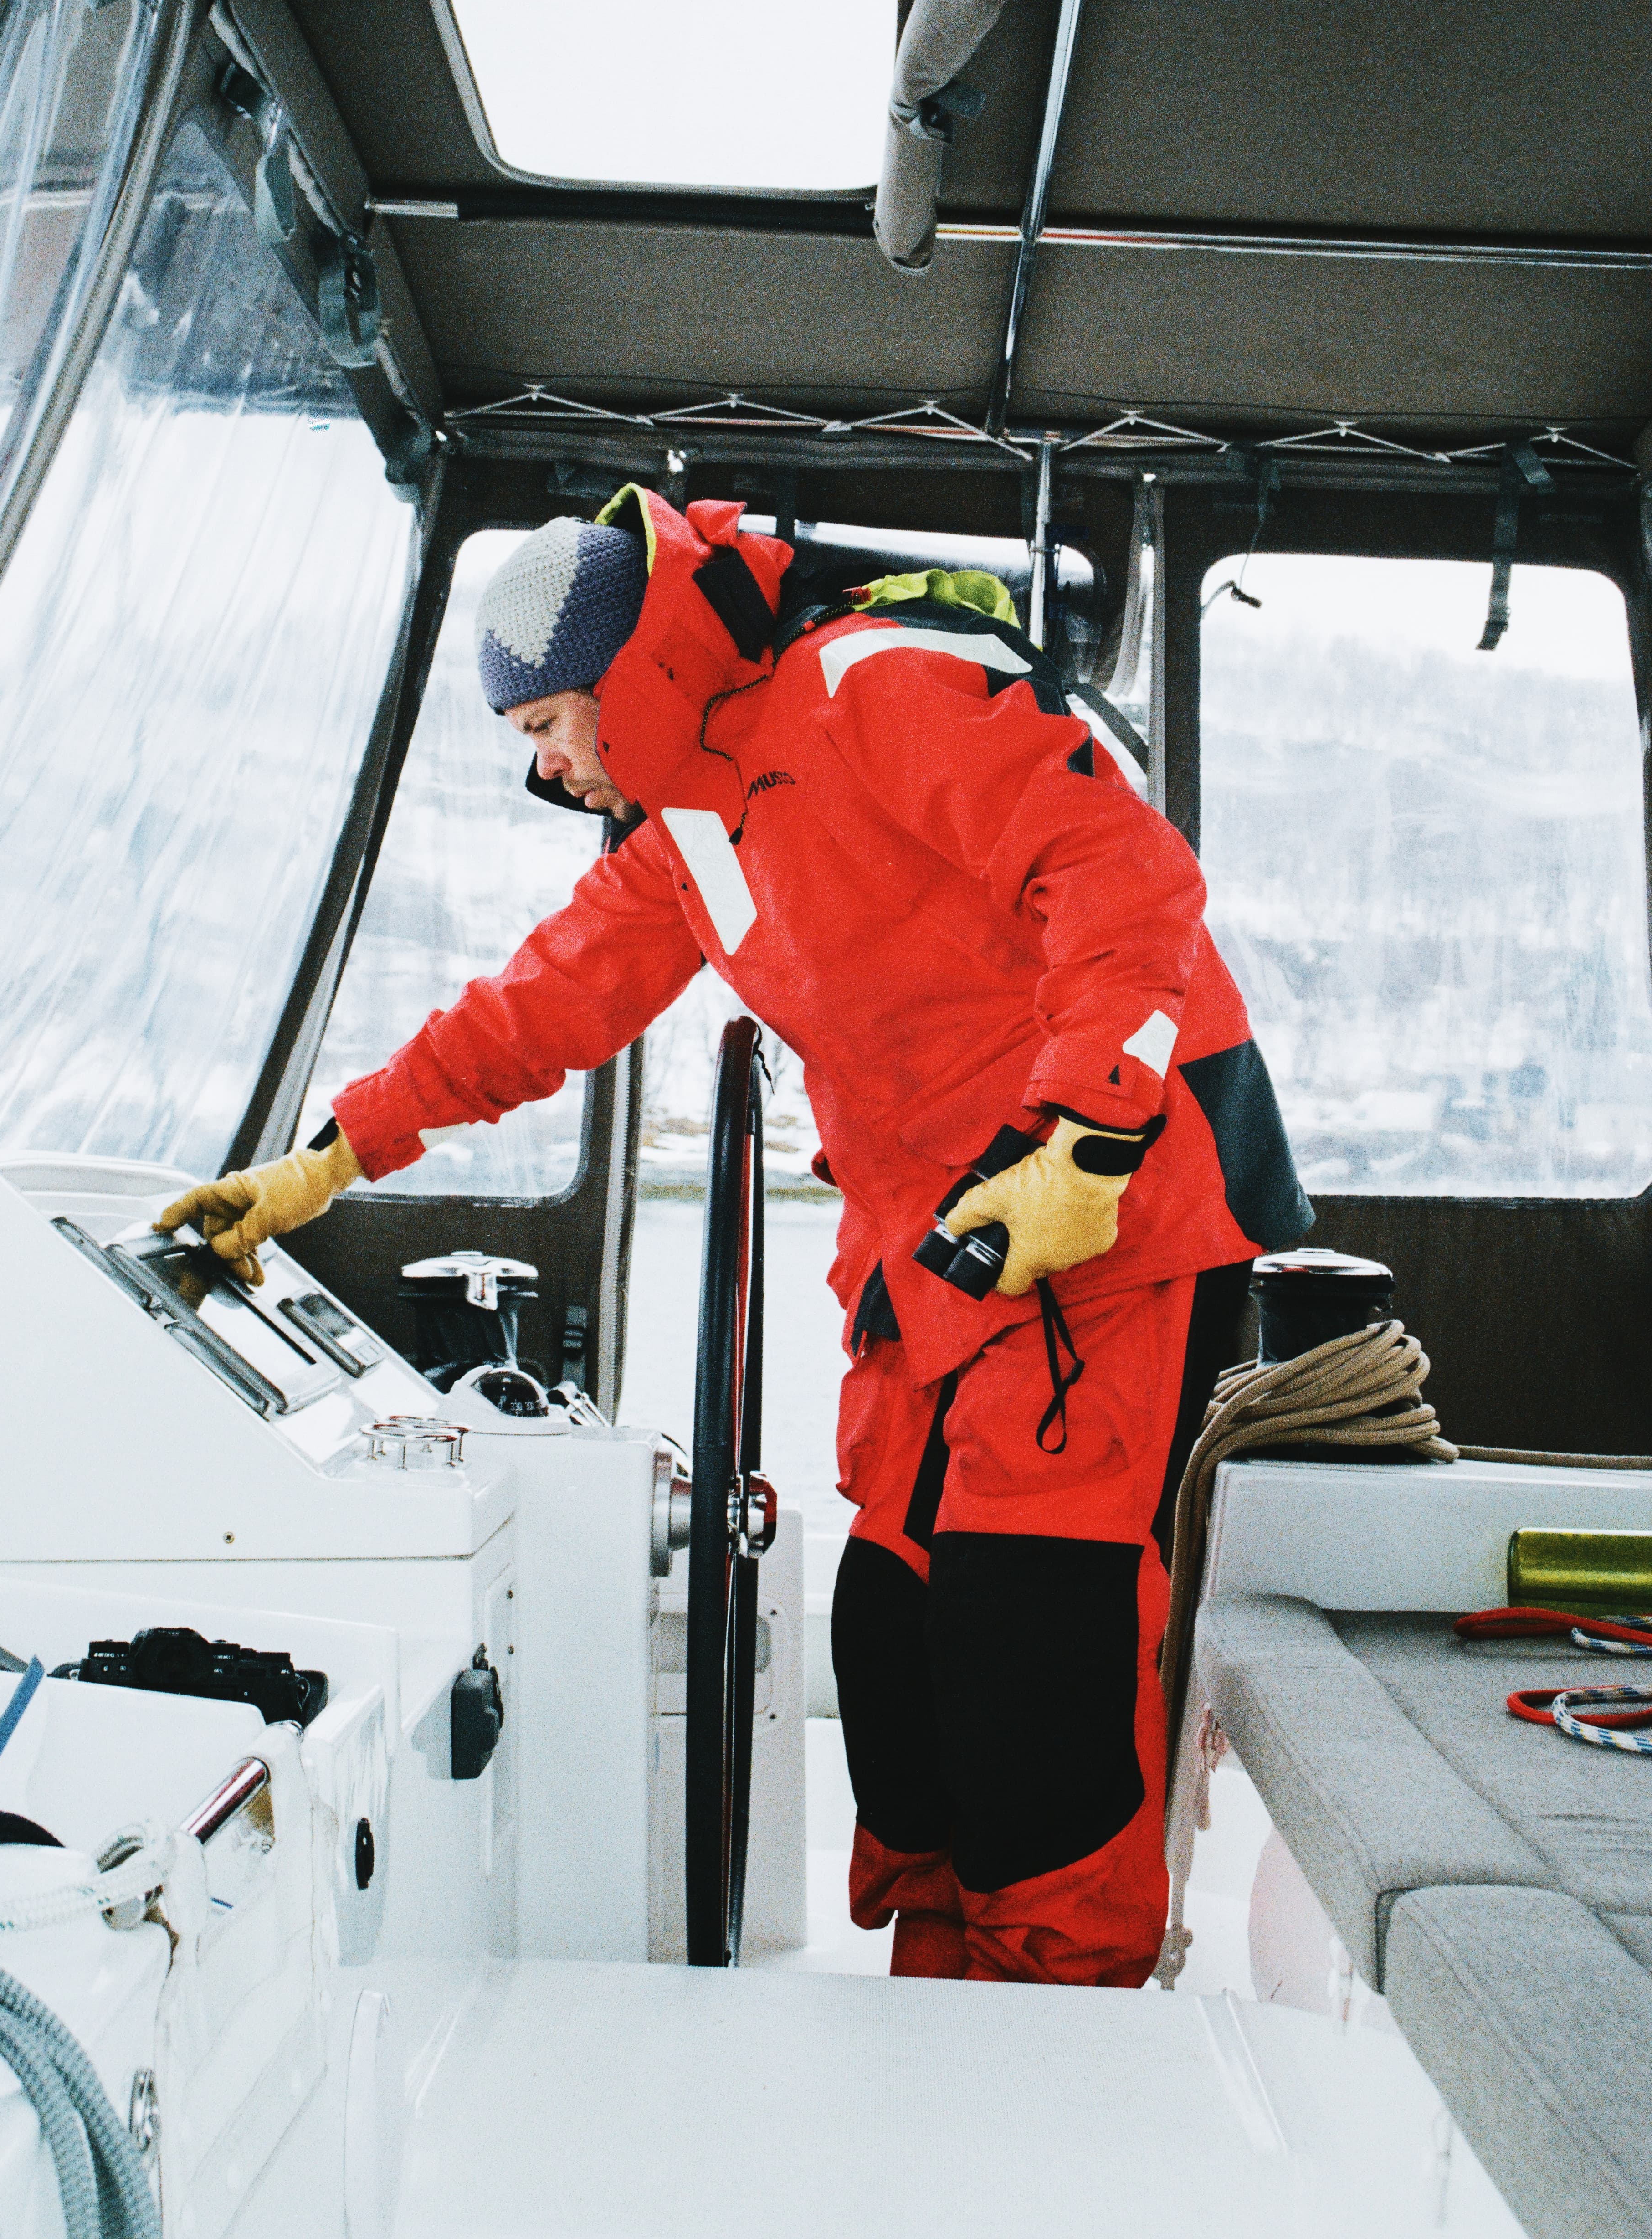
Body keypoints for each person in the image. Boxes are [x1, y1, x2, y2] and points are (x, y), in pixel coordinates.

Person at [161, 487, 1311, 1987]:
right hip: (931, 1254)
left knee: (1034, 1637)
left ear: (631, 674)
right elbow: (540, 1006)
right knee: (894, 1635)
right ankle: (951, 1991)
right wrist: (326, 1161)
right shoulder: (692, 827)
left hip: (1102, 1219)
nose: (547, 764)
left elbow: (1124, 874)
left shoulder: (875, 687)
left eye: (549, 725)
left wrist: (1084, 1142)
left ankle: (1065, 2011)